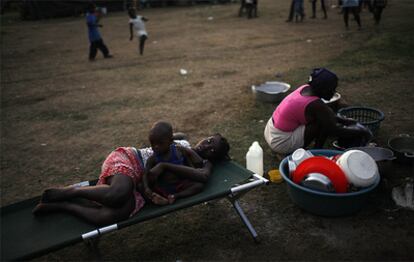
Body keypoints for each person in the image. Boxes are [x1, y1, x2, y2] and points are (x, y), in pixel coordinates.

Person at [32, 130, 230, 226]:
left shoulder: (203, 165)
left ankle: (63, 205)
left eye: (213, 150)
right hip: (130, 160)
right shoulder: (183, 141)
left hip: (140, 190)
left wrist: (166, 166)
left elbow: (203, 177)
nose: (207, 146)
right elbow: (162, 137)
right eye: (209, 140)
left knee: (110, 217)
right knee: (117, 194)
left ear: (214, 157)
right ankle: (70, 191)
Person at [263, 68, 372, 155]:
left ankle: (317, 150)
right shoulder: (315, 104)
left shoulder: (305, 88)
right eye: (332, 89)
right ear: (323, 89)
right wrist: (362, 131)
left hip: (271, 131)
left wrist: (347, 122)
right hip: (281, 142)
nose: (334, 92)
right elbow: (334, 130)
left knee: (323, 118)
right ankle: (317, 151)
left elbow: (326, 115)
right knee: (322, 122)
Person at [141, 121, 205, 205]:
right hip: (163, 188)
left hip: (181, 184)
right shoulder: (153, 159)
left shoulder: (179, 151)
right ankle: (161, 198)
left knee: (199, 186)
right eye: (152, 143)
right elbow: (145, 174)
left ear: (171, 141)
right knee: (141, 188)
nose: (155, 146)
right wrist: (146, 188)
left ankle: (176, 196)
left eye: (160, 143)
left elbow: (190, 166)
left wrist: (193, 173)